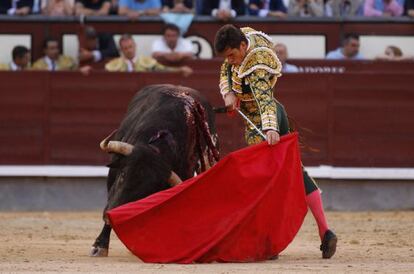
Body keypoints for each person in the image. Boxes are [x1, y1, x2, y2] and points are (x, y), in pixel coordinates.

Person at [214, 24, 337, 259]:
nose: (230, 61)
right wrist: (228, 92)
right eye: (226, 56)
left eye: (232, 55)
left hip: (261, 120)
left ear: (242, 46)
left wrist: (269, 127)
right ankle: (325, 231)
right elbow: (225, 67)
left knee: (260, 179)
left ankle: (267, 241)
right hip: (267, 114)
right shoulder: (243, 38)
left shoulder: (258, 64)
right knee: (294, 170)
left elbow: (263, 98)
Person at [105, 34, 193, 76]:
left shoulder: (146, 61)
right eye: (125, 48)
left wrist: (179, 69)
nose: (129, 50)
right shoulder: (114, 64)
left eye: (130, 47)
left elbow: (163, 69)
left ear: (135, 46)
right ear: (121, 50)